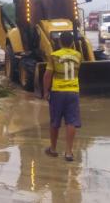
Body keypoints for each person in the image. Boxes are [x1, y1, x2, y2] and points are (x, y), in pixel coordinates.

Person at [43, 31, 82, 161]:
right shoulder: (78, 55)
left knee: (55, 121)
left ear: (59, 42)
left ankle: (53, 149)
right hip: (73, 92)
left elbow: (48, 75)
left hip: (57, 92)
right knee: (71, 122)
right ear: (72, 43)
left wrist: (46, 91)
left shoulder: (54, 55)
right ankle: (69, 152)